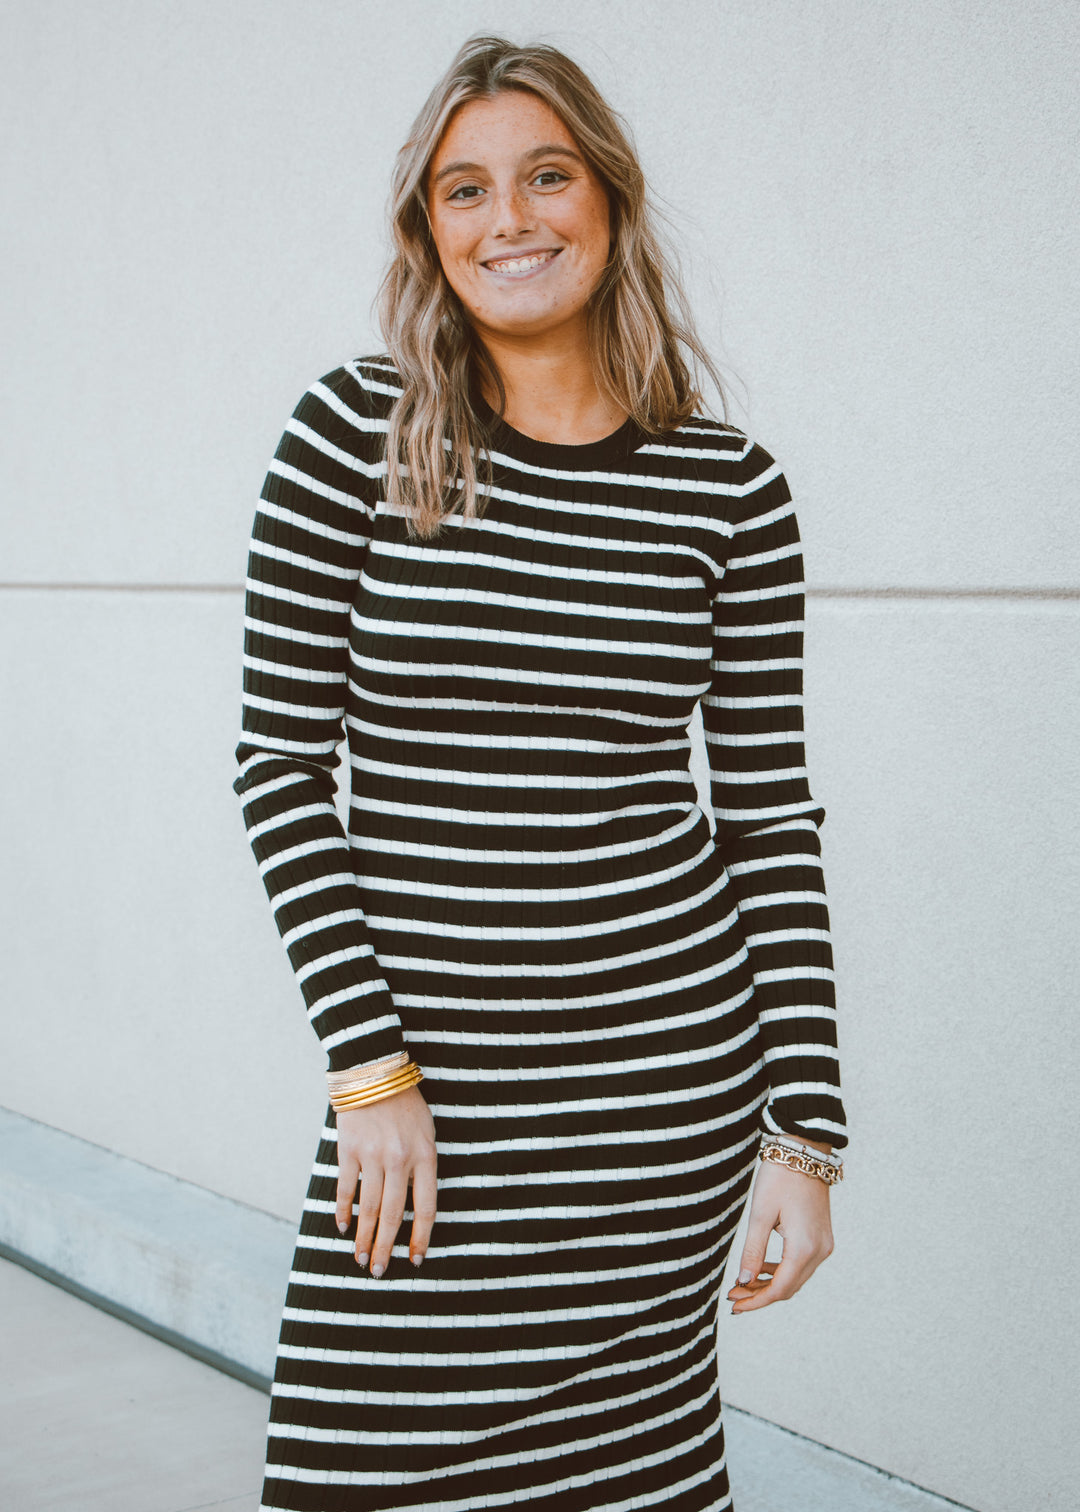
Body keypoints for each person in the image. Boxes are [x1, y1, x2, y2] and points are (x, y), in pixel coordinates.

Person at [234, 33, 847, 1512]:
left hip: (660, 1095)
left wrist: (808, 1133)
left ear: (611, 202)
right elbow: (276, 769)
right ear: (429, 233)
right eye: (465, 190)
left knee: (632, 1484)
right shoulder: (350, 441)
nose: (509, 218)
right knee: (355, 1471)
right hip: (428, 1093)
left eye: (547, 175)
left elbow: (766, 816)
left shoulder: (728, 487)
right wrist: (371, 1068)